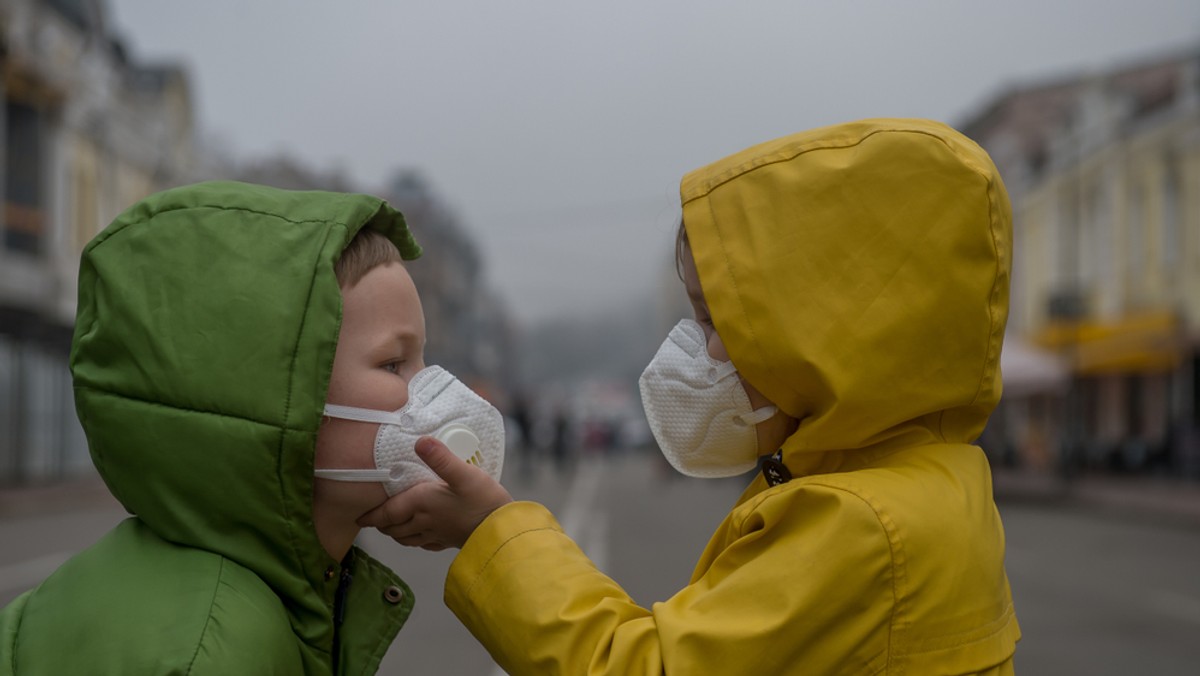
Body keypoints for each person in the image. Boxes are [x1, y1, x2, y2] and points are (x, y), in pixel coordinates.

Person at [358, 119, 1022, 674]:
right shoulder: (935, 481)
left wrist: (488, 529)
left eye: (716, 321)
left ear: (830, 334)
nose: (704, 352)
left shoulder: (864, 525)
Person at [0, 180, 484, 674]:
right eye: (393, 364)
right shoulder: (207, 652)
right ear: (276, 396)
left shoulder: (266, 592)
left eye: (423, 361)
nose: (429, 389)